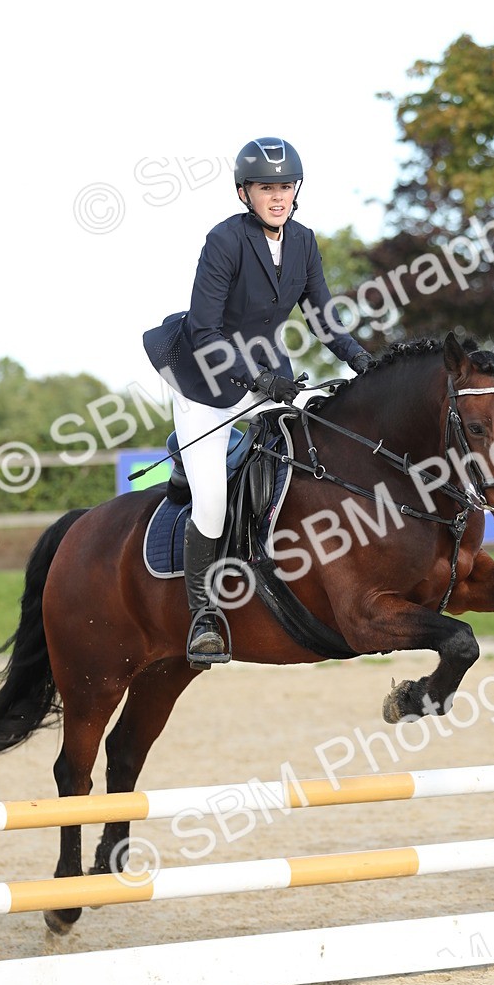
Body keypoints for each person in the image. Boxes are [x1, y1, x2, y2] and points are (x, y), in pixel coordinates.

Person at [143, 136, 370, 665]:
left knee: (308, 460)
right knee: (212, 504)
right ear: (245, 193)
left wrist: (365, 361)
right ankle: (204, 617)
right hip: (206, 383)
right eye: (267, 188)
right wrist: (258, 381)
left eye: (286, 186)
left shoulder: (304, 241)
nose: (278, 196)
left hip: (269, 377)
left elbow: (323, 319)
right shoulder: (224, 240)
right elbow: (203, 331)